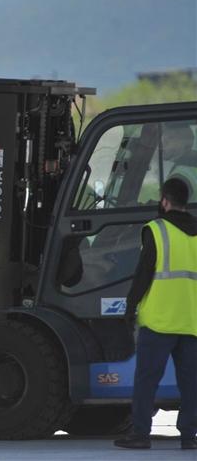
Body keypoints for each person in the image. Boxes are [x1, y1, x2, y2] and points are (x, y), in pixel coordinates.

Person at [115, 178, 196, 450]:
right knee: (191, 383)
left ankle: (140, 435)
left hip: (159, 320)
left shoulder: (156, 230)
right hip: (191, 322)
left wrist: (129, 305)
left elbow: (143, 274)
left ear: (165, 200)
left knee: (147, 379)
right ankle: (188, 436)